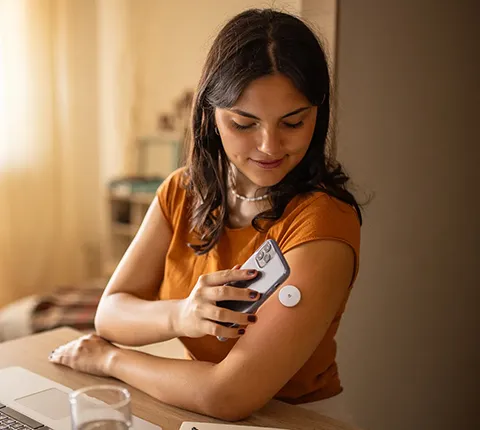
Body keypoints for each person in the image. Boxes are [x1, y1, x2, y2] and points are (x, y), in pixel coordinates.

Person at [49, 8, 362, 423]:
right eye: (243, 123)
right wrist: (182, 314)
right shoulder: (182, 191)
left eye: (292, 122)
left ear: (317, 114)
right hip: (185, 400)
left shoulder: (322, 225)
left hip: (286, 417)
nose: (269, 146)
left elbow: (228, 395)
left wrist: (108, 361)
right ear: (210, 115)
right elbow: (110, 313)